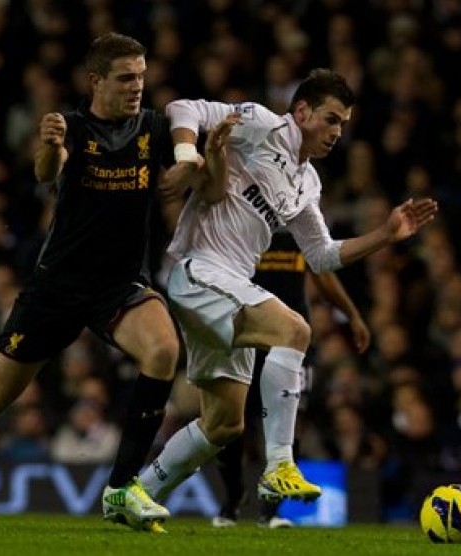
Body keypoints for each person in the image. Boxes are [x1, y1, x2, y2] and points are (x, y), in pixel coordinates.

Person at [0, 32, 207, 533]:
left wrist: (195, 164)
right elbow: (45, 171)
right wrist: (50, 148)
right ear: (96, 81)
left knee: (163, 350)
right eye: (125, 78)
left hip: (118, 285)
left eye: (141, 76)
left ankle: (121, 487)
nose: (136, 86)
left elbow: (189, 146)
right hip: (57, 288)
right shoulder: (70, 127)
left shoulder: (154, 128)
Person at [136, 69, 438, 512]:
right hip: (199, 271)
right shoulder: (262, 123)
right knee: (294, 330)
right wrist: (186, 156)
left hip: (230, 285)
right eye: (331, 119)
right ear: (301, 111)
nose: (337, 132)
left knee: (223, 426)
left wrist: (385, 235)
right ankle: (279, 465)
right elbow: (184, 109)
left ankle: (138, 493)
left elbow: (321, 255)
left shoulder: (307, 181)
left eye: (343, 124)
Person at [212, 230, 371, 528]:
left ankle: (270, 513)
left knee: (288, 421)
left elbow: (323, 274)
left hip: (291, 341)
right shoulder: (243, 225)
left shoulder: (300, 228)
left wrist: (352, 314)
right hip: (247, 336)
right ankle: (233, 497)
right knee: (231, 424)